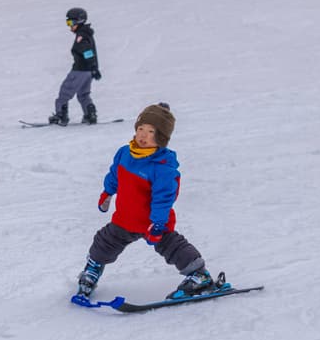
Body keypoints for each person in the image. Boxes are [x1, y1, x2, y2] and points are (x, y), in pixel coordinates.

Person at [76, 103, 216, 300]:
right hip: (125, 219)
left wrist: (158, 223)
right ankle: (92, 269)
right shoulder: (124, 153)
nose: (143, 135)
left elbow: (164, 197)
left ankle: (199, 275)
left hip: (152, 222)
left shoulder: (162, 166)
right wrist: (107, 192)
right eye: (140, 129)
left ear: (161, 137)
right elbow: (115, 175)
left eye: (151, 132)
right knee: (104, 242)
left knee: (173, 246)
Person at [48, 7, 102, 126]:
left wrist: (93, 66)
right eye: (68, 23)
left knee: (65, 91)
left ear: (79, 21)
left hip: (80, 70)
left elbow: (87, 51)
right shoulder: (86, 34)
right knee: (83, 94)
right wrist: (93, 68)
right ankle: (90, 114)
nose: (69, 26)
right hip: (88, 71)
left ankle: (61, 115)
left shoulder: (81, 37)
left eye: (71, 23)